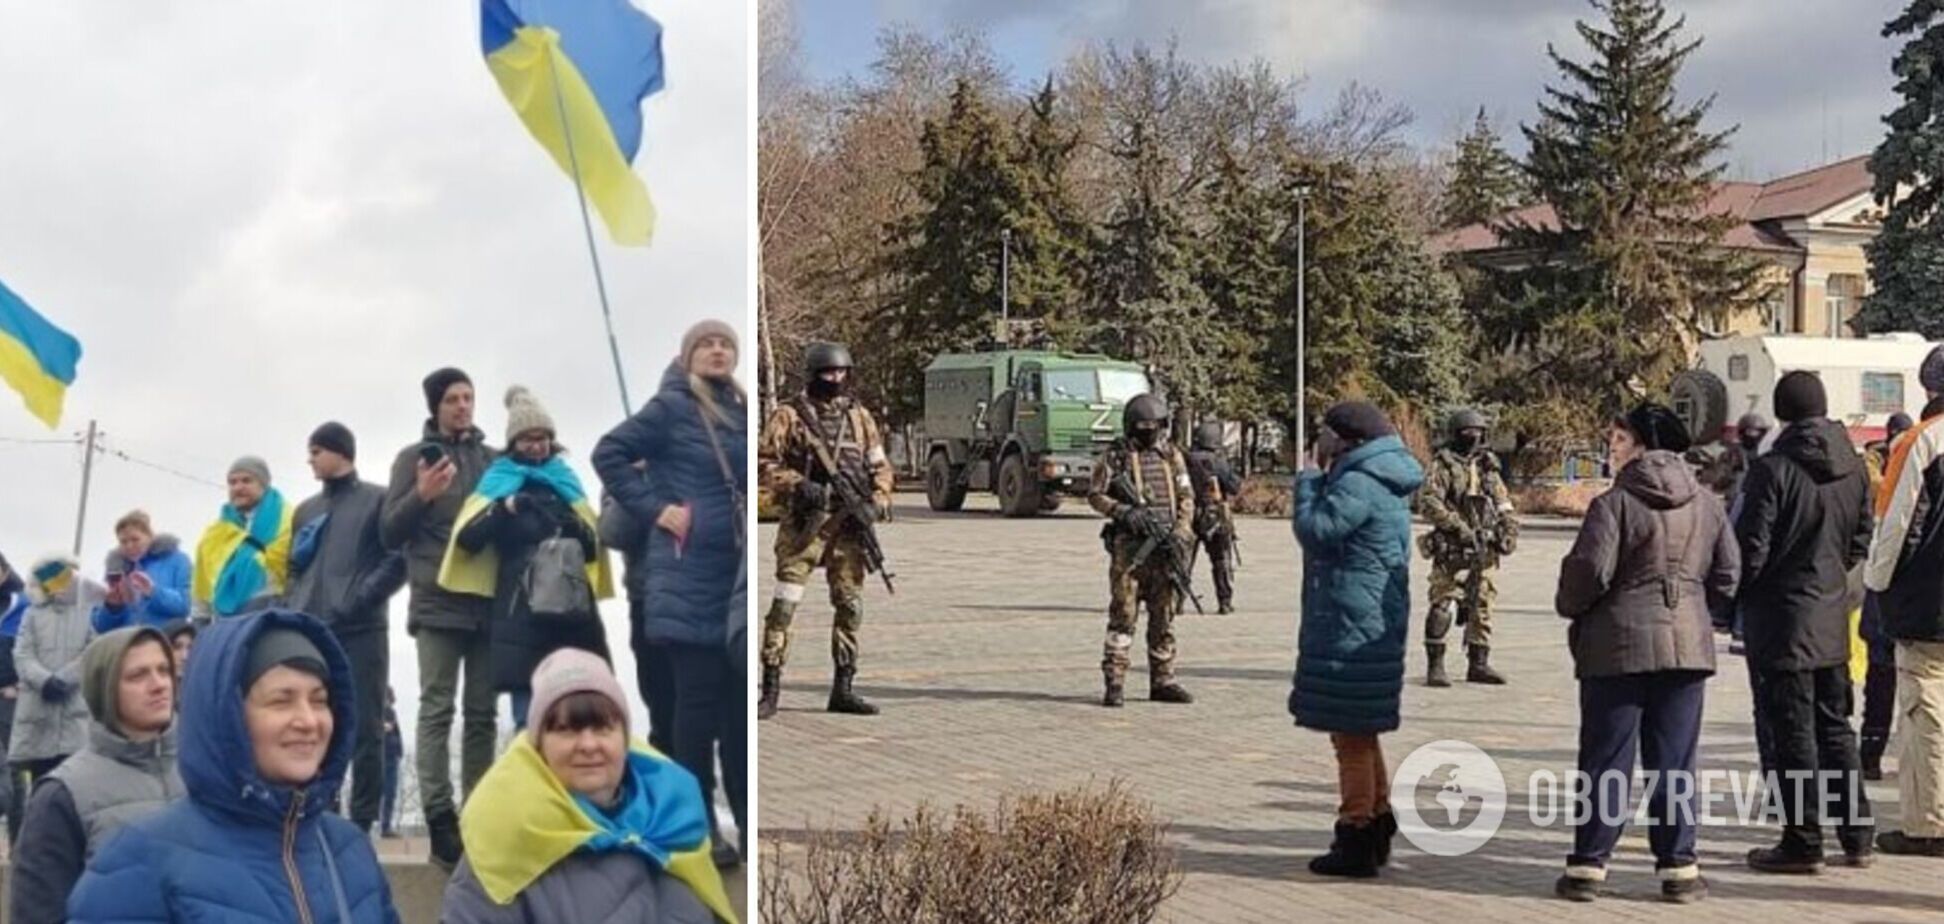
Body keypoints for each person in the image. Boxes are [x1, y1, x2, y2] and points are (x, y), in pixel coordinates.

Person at [66, 609, 399, 922]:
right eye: (281, 701)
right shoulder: (136, 860)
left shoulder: (350, 849)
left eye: (319, 700)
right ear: (227, 717)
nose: (308, 721)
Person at [1552, 404, 1738, 903]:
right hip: (1687, 649)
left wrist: (1572, 606)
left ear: (1640, 445)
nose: (1612, 449)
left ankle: (1589, 866)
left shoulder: (1613, 505)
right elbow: (1728, 575)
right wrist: (1699, 611)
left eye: (1617, 439)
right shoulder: (1707, 502)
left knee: (1607, 760)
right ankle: (1679, 867)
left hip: (1617, 646)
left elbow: (1587, 573)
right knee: (1675, 761)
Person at [593, 319, 749, 868]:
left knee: (737, 716)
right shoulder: (673, 407)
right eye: (705, 344)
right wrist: (656, 509)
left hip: (732, 579)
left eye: (725, 343)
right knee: (694, 710)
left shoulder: (742, 411)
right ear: (687, 357)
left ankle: (747, 828)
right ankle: (697, 826)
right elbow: (608, 453)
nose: (717, 350)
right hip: (683, 580)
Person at [440, 648, 737, 923]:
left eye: (602, 727)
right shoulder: (502, 841)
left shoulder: (676, 829)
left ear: (625, 739)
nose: (588, 744)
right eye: (566, 729)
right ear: (538, 746)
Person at [1736, 372, 1875, 873]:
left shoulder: (1771, 471)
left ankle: (1802, 840)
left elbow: (1751, 548)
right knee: (1836, 728)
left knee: (1792, 729)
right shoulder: (1855, 468)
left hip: (1782, 619)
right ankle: (1857, 834)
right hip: (1832, 615)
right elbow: (1862, 537)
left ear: (1782, 413)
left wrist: (1741, 595)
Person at [1290, 402, 1424, 879]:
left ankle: (1356, 831)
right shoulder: (1378, 475)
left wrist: (1307, 480)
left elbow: (1319, 531)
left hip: (1352, 620)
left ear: (1346, 439)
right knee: (1360, 729)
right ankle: (1378, 817)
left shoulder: (1360, 480)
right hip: (1366, 615)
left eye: (1325, 434)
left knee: (1349, 733)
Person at [382, 366, 497, 869]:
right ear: (435, 406)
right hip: (436, 599)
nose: (463, 406)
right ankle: (440, 817)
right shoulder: (413, 459)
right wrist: (421, 494)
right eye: (453, 398)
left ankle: (479, 814)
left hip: (489, 601)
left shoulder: (493, 460)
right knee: (436, 708)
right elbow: (388, 530)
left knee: (482, 715)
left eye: (469, 397)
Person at [446, 386, 613, 730]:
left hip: (571, 609)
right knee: (529, 714)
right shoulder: (498, 481)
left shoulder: (565, 480)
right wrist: (504, 509)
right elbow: (467, 538)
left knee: (578, 706)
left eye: (542, 438)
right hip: (520, 608)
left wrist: (571, 523)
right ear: (514, 443)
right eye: (527, 439)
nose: (536, 445)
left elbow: (594, 546)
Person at [756, 342, 894, 719]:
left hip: (848, 528)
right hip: (805, 526)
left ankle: (843, 688)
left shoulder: (860, 417)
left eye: (841, 373)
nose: (836, 379)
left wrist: (876, 502)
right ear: (813, 374)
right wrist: (798, 484)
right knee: (784, 605)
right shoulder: (789, 415)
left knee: (850, 606)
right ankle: (770, 688)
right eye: (828, 373)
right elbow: (764, 462)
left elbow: (880, 466)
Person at [10, 627, 184, 924]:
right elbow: (38, 912)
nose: (159, 685)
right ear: (104, 687)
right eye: (137, 675)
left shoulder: (205, 770)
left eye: (164, 670)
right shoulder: (62, 794)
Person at [286, 421, 407, 835]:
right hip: (314, 630)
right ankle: (320, 813)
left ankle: (361, 822)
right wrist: (294, 605)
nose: (311, 459)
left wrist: (359, 600)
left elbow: (398, 559)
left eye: (317, 450)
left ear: (341, 452)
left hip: (362, 630)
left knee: (366, 726)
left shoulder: (378, 500)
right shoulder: (305, 510)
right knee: (317, 723)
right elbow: (293, 566)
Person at [1863, 393, 1944, 856]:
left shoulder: (1922, 440)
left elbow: (1897, 524)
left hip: (1928, 605)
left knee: (1926, 711)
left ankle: (1929, 823)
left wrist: (1878, 582)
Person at [1087, 393, 1198, 708]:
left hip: (1166, 550)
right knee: (1124, 615)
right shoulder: (1115, 457)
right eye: (1145, 427)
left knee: (1164, 617)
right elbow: (1095, 495)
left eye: (1156, 427)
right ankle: (1115, 681)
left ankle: (1163, 679)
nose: (1151, 433)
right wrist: (1123, 512)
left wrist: (1181, 532)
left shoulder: (1171, 455)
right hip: (1130, 552)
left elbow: (1186, 497)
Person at [1416, 408, 1519, 687]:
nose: (1473, 437)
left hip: (1484, 547)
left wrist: (1509, 528)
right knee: (1443, 602)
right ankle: (1435, 666)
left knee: (1482, 603)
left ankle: (1479, 664)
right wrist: (1456, 526)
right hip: (1452, 547)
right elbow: (1428, 501)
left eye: (1478, 432)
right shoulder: (1443, 464)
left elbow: (1502, 501)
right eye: (1468, 432)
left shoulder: (1487, 465)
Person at [9, 557, 96, 845]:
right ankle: (36, 846)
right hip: (39, 712)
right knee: (41, 786)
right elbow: (22, 653)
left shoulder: (88, 612)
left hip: (73, 713)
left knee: (75, 786)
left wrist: (66, 678)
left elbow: (92, 650)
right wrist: (44, 680)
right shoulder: (32, 614)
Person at [598, 475, 675, 753]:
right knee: (659, 698)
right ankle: (667, 772)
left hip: (699, 601)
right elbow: (613, 533)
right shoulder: (623, 473)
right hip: (648, 602)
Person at [1860, 411, 1914, 780]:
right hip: (1908, 602)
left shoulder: (1880, 469)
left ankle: (1871, 754)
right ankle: (1877, 755)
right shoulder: (1897, 468)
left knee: (1880, 687)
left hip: (1884, 595)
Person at [190, 457, 294, 621]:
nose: (238, 487)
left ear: (263, 484)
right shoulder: (214, 534)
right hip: (225, 623)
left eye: (246, 481)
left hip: (274, 620)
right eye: (232, 482)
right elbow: (202, 585)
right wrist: (200, 622)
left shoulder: (290, 520)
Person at [88, 511, 192, 634]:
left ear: (150, 536)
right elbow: (101, 627)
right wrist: (113, 607)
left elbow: (184, 607)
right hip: (126, 645)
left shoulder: (177, 560)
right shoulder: (116, 570)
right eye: (123, 542)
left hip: (164, 642)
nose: (129, 546)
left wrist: (153, 592)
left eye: (135, 539)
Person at [1186, 420, 1242, 615]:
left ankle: (1176, 601)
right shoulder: (1218, 461)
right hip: (1215, 515)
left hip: (1189, 514)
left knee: (1183, 560)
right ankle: (1224, 602)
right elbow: (1234, 487)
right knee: (1221, 561)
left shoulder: (1186, 459)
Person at [0, 554, 26, 840]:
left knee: (14, 768)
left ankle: (19, 842)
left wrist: (20, 684)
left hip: (9, 697)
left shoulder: (21, 604)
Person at [1693, 412, 1771, 505]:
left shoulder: (1767, 454)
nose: (1752, 435)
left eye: (1756, 432)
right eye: (1749, 431)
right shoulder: (1733, 453)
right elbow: (1719, 476)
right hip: (1738, 500)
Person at [380, 687, 403, 838]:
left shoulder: (391, 712)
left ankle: (386, 825)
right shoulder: (382, 712)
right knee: (383, 793)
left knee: (390, 793)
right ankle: (383, 825)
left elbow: (395, 732)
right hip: (382, 756)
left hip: (391, 756)